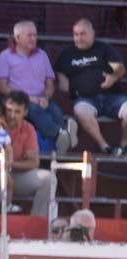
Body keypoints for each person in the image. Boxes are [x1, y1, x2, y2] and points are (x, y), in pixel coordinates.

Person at [0, 92, 55, 217]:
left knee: (49, 179)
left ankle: (35, 225)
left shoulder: (28, 129)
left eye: (17, 112)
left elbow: (34, 162)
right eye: (9, 110)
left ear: (25, 112)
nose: (11, 115)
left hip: (15, 175)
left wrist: (8, 163)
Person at [54, 18, 127, 157]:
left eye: (83, 34)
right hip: (85, 99)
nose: (79, 38)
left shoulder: (104, 48)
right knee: (81, 110)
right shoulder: (66, 54)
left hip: (112, 97)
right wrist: (66, 83)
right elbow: (60, 73)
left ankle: (124, 145)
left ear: (92, 33)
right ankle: (105, 147)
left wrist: (113, 77)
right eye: (75, 34)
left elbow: (120, 68)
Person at [0, 21, 63, 147]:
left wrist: (46, 98)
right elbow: (3, 87)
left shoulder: (42, 55)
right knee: (33, 109)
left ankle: (60, 145)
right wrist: (29, 98)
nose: (33, 39)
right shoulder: (5, 56)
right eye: (29, 35)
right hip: (16, 99)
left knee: (56, 111)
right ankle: (60, 136)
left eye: (35, 35)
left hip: (41, 98)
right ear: (17, 38)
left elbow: (50, 83)